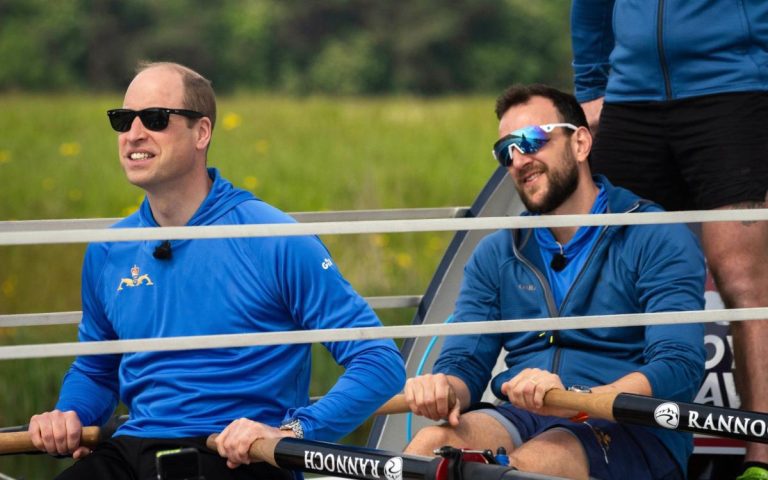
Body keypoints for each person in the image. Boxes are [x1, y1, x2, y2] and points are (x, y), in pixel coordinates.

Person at [27, 61, 406, 479]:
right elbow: (96, 371)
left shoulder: (274, 238)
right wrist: (67, 414)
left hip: (235, 458)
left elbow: (378, 362)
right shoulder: (108, 250)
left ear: (201, 132)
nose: (134, 134)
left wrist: (294, 431)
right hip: (130, 452)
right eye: (123, 120)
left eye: (155, 119)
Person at [402, 84, 706, 480]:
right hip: (522, 416)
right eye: (505, 151)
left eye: (531, 140)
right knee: (425, 453)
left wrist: (578, 401)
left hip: (631, 430)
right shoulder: (496, 252)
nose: (518, 160)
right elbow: (465, 364)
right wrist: (441, 389)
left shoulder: (657, 235)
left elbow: (678, 367)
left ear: (580, 143)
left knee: (530, 467)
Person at [571, 2, 768, 478]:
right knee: (612, 272)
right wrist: (592, 87)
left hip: (734, 88)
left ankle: (762, 458)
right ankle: (616, 444)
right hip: (631, 98)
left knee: (743, 282)